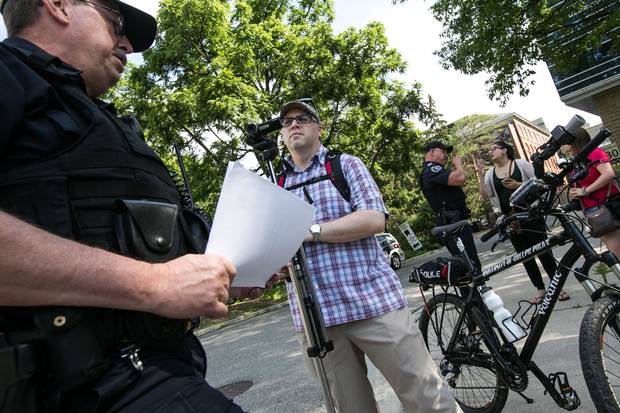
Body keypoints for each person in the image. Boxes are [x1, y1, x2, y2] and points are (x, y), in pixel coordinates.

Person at [0, 1, 265, 411]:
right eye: (116, 23)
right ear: (58, 6)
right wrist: (153, 286)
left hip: (161, 372)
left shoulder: (97, 116)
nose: (127, 43)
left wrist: (223, 273)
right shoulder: (8, 73)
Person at [276, 99, 462, 413]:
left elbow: (374, 218)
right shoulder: (276, 183)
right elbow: (275, 243)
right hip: (317, 318)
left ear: (319, 128)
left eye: (303, 118)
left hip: (371, 301)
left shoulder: (345, 165)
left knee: (427, 398)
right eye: (286, 122)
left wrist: (310, 231)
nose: (294, 124)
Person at [475, 141, 569, 303]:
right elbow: (485, 196)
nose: (490, 152)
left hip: (530, 213)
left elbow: (540, 183)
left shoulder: (520, 164)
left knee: (543, 250)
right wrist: (481, 176)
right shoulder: (490, 173)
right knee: (525, 255)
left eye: (493, 149)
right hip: (510, 219)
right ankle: (540, 289)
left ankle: (557, 286)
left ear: (504, 150)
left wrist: (518, 184)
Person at [419, 142, 482, 271]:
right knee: (468, 265)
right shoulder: (431, 169)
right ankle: (475, 290)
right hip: (451, 222)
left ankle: (477, 290)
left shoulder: (437, 169)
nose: (446, 155)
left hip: (455, 220)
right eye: (443, 151)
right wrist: (458, 165)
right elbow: (460, 178)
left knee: (469, 263)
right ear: (431, 152)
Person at [563, 127, 620, 257]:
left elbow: (608, 173)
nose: (562, 144)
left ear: (575, 140)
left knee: (617, 251)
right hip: (595, 211)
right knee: (615, 252)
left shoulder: (594, 152)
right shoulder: (577, 160)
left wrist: (584, 190)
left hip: (609, 207)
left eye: (565, 140)